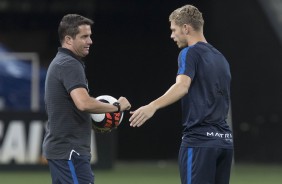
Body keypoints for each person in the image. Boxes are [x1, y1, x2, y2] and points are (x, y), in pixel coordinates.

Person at [129, 4, 233, 184]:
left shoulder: (189, 53)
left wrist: (152, 106)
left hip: (200, 142)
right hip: (224, 142)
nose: (171, 35)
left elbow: (182, 86)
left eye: (173, 30)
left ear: (186, 28)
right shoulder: (221, 58)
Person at [42, 14, 131, 184]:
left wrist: (92, 122)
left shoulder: (62, 62)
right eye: (84, 36)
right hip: (69, 151)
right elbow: (83, 103)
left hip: (66, 151)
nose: (90, 41)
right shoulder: (69, 64)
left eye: (90, 36)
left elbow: (69, 108)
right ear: (68, 39)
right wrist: (117, 107)